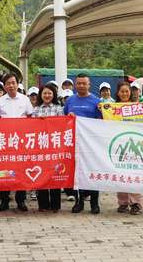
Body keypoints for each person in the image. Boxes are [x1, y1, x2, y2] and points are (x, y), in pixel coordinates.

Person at [64, 73, 102, 214]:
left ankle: (94, 203)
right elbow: (64, 118)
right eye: (78, 83)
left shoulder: (96, 101)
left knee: (93, 171)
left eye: (84, 83)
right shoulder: (70, 101)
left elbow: (100, 122)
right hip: (75, 142)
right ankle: (79, 202)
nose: (81, 85)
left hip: (91, 143)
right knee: (77, 173)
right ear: (75, 84)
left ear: (89, 85)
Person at [0, 73, 34, 212]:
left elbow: (31, 117)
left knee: (21, 171)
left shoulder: (25, 99)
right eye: (8, 83)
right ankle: (4, 200)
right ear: (4, 86)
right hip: (5, 141)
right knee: (5, 170)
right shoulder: (0, 101)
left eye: (13, 83)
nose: (11, 85)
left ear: (17, 84)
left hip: (21, 141)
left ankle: (21, 200)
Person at [31, 84, 65, 212]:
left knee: (54, 174)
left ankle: (55, 205)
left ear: (54, 95)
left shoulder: (58, 109)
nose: (47, 95)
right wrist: (38, 121)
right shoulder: (36, 110)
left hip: (54, 147)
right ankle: (43, 204)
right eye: (45, 93)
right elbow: (31, 128)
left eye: (50, 93)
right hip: (40, 147)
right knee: (41, 175)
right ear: (41, 95)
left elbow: (62, 126)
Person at [114, 81, 143, 215]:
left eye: (127, 91)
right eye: (122, 91)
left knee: (134, 174)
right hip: (119, 145)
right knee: (120, 175)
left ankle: (136, 202)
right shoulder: (112, 108)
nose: (125, 94)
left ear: (130, 92)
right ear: (118, 93)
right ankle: (123, 202)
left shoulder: (138, 107)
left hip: (134, 143)